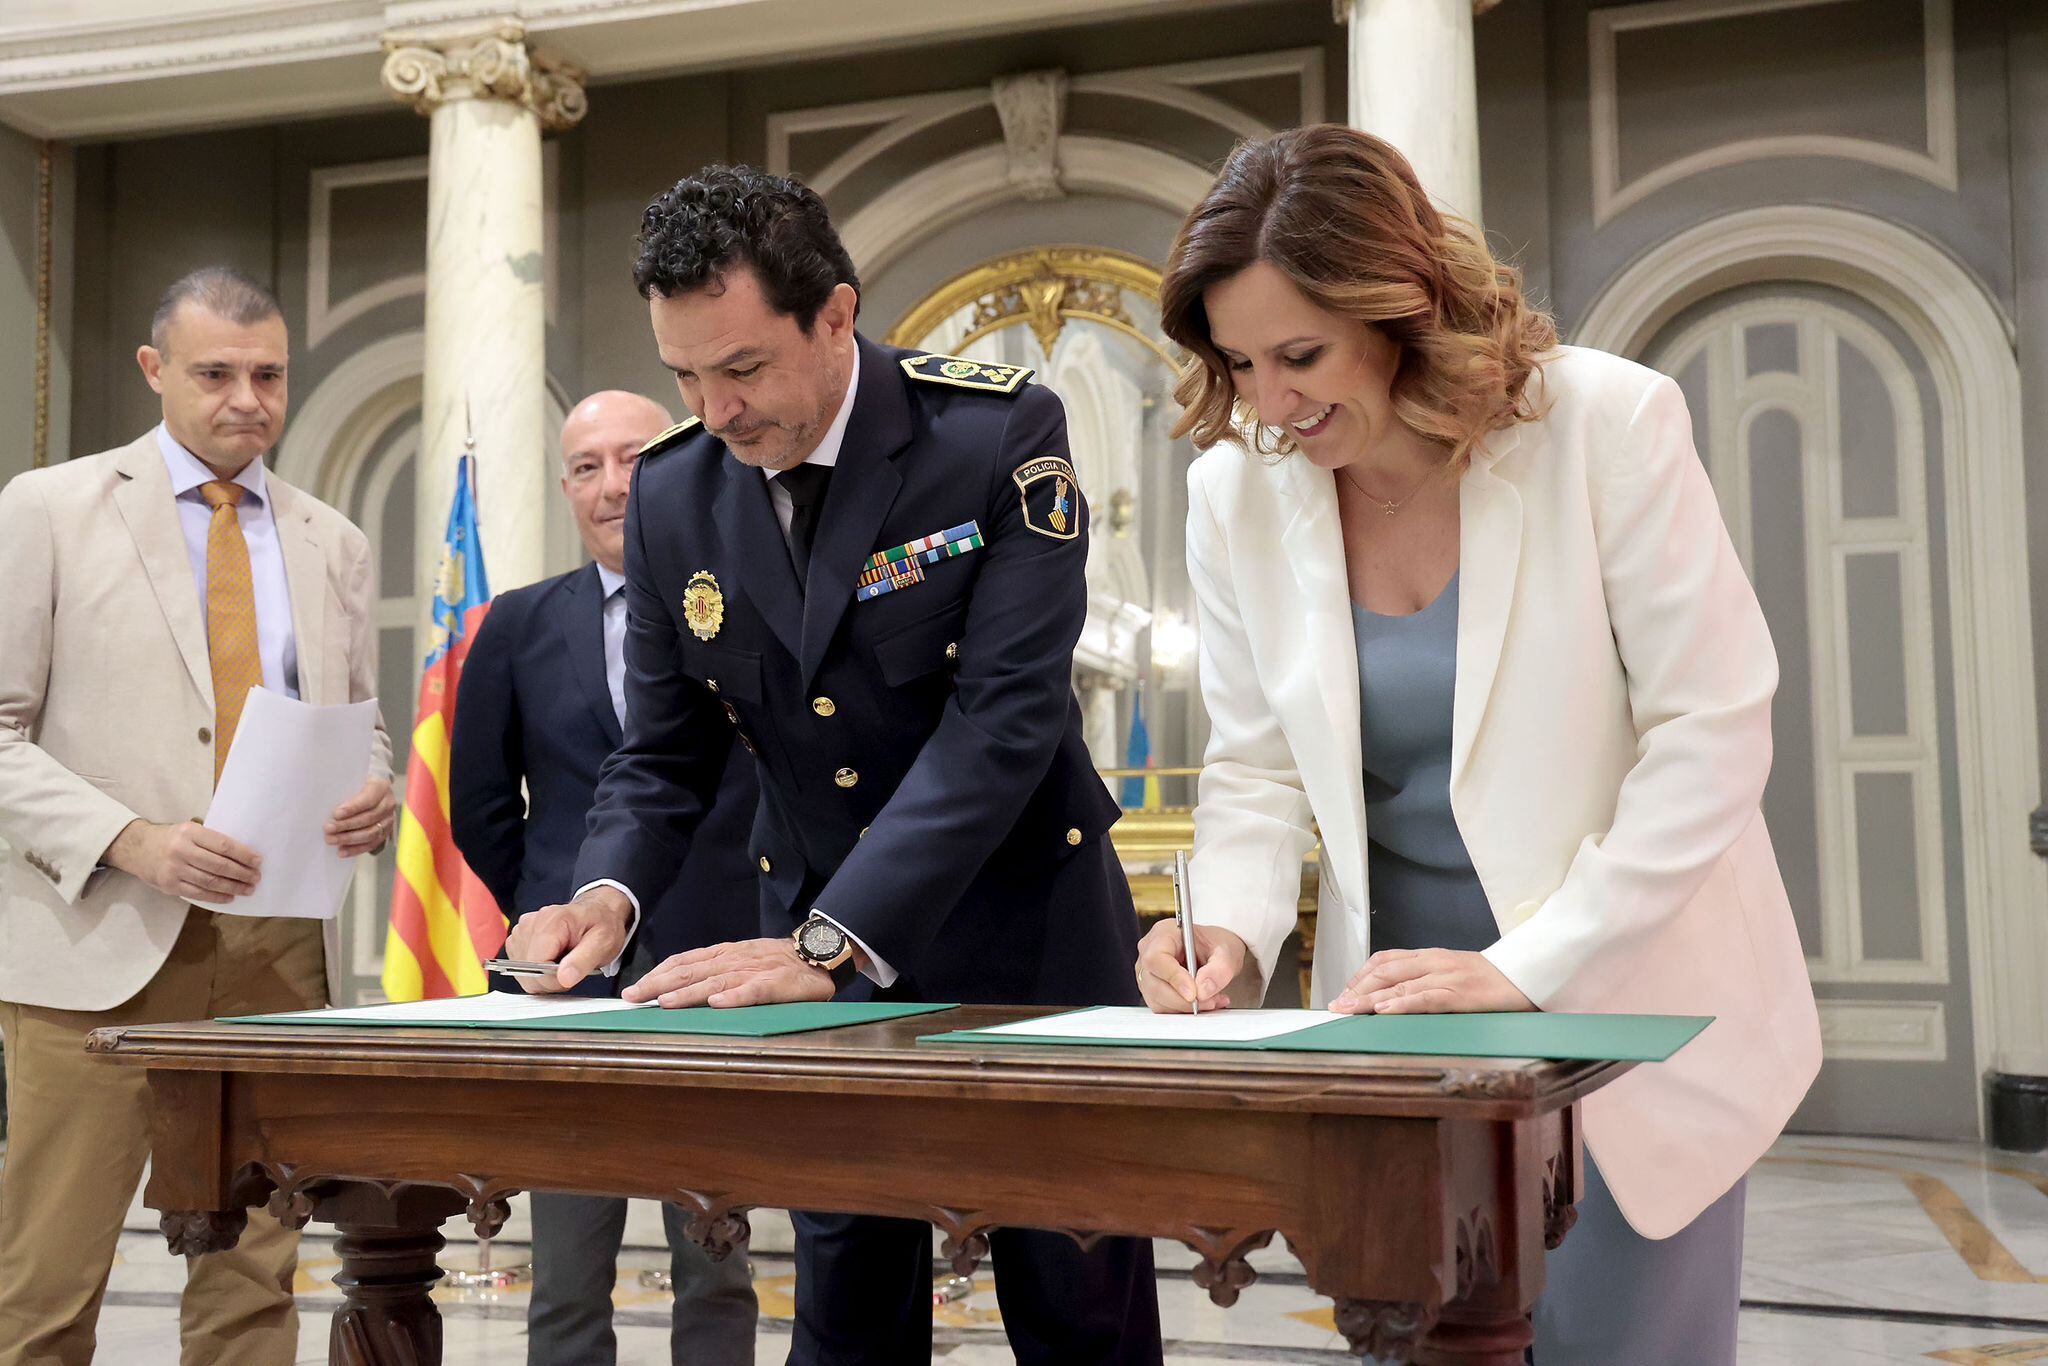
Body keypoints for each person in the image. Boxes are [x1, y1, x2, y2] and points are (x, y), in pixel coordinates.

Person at [1133, 125, 1820, 1364]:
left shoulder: (1602, 424)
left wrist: (1526, 965)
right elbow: (1256, 765)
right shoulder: (1233, 488)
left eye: (1300, 355)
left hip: (1622, 1000)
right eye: (1238, 364)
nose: (1271, 405)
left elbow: (1709, 732)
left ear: (1403, 307)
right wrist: (1225, 923)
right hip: (1398, 1026)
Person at [502, 166, 1163, 1366]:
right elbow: (662, 750)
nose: (714, 407)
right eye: (685, 375)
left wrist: (829, 939)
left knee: (1080, 1323)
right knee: (845, 1321)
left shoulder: (992, 432)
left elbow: (1001, 724)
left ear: (836, 316)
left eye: (742, 368)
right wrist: (606, 892)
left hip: (1028, 955)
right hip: (815, 988)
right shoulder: (672, 494)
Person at [0, 266, 395, 1366]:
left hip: (273, 953)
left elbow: (358, 722)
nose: (246, 399)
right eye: (215, 373)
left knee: (254, 1279)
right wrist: (131, 838)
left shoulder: (333, 540)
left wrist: (375, 791)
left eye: (267, 374)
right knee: (45, 1281)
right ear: (154, 370)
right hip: (98, 947)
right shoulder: (49, 507)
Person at [450, 389, 761, 1365]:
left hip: (715, 975)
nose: (611, 483)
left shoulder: (747, 600)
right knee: (567, 1270)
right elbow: (482, 807)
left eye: (632, 457)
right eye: (586, 465)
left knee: (716, 1256)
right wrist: (551, 908)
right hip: (567, 991)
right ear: (564, 486)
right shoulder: (515, 623)